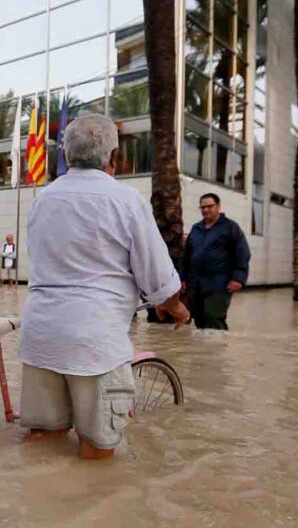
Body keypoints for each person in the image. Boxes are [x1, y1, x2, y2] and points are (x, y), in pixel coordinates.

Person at [19, 114, 190, 461]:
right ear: (113, 156)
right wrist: (176, 307)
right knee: (96, 451)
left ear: (66, 155)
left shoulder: (43, 199)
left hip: (40, 335)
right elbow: (158, 275)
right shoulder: (125, 200)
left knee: (44, 442)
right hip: (94, 344)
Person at [182, 192, 250, 331]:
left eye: (209, 206)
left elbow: (242, 253)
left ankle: (217, 351)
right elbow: (187, 256)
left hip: (220, 284)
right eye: (202, 207)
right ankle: (202, 351)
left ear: (218, 207)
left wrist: (238, 278)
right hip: (196, 284)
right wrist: (182, 278)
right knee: (199, 319)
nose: (206, 210)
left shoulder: (230, 227)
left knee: (214, 318)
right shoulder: (196, 228)